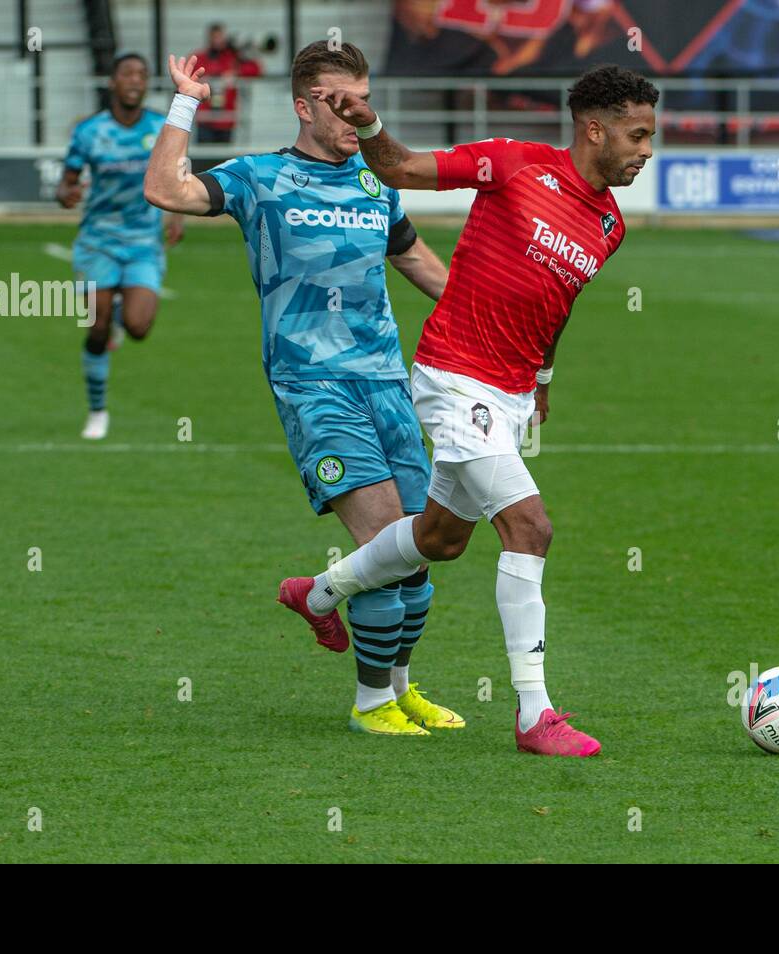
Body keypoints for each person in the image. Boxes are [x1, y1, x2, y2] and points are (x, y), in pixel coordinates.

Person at [279, 64, 659, 758]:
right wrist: (368, 125)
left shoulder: (610, 223)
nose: (645, 150)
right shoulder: (514, 165)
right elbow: (396, 168)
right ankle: (535, 714)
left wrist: (541, 374)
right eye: (636, 135)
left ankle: (320, 593)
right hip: (455, 376)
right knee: (531, 527)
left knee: (439, 540)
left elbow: (556, 303)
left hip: (509, 393)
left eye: (650, 137)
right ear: (594, 128)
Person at [143, 42, 458, 737]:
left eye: (364, 101)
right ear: (303, 104)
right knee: (383, 536)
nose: (357, 115)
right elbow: (166, 190)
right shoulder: (259, 178)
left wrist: (506, 320)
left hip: (387, 382)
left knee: (421, 548)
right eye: (342, 103)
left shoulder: (378, 187)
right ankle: (371, 704)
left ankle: (394, 681)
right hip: (313, 384)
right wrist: (186, 100)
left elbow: (423, 267)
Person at [56, 53, 185, 440]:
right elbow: (66, 182)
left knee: (139, 327)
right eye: (127, 73)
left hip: (144, 242)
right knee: (96, 329)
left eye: (142, 75)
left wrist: (177, 214)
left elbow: (178, 171)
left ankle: (118, 312)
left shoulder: (161, 127)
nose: (135, 80)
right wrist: (68, 193)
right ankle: (97, 412)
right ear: (112, 82)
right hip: (98, 240)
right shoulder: (89, 131)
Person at [191, 23, 262, 144]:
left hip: (226, 120)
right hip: (205, 118)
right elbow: (191, 74)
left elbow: (256, 70)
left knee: (224, 159)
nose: (218, 41)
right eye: (215, 37)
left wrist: (236, 73)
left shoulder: (233, 58)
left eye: (220, 37)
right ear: (209, 38)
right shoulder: (200, 57)